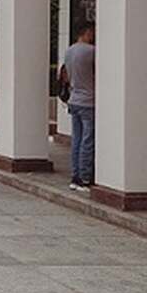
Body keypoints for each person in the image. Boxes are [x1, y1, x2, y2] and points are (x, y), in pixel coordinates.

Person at [58, 20, 96, 191]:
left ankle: (75, 176)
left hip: (74, 99)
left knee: (77, 140)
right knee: (88, 141)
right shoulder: (92, 51)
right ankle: (85, 177)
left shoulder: (69, 51)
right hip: (89, 100)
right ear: (87, 32)